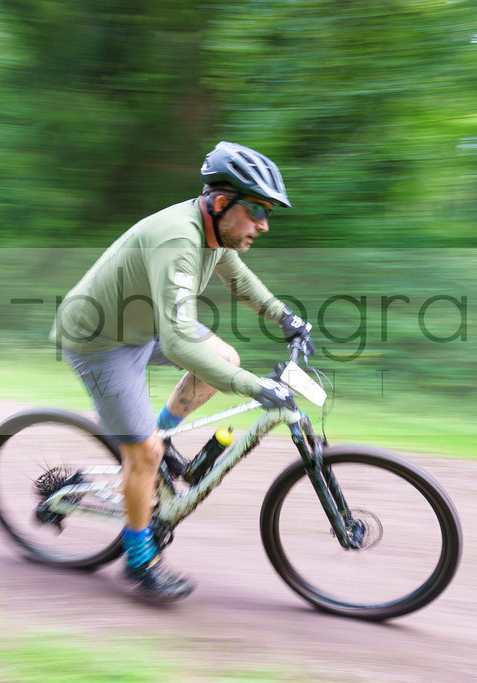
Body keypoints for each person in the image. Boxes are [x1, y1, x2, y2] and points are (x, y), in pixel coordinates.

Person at [49, 141, 313, 601]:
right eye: (255, 210)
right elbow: (176, 342)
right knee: (145, 455)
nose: (264, 225)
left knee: (223, 361)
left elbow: (238, 279)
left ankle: (159, 438)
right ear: (220, 202)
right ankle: (139, 561)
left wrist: (284, 316)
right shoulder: (179, 240)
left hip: (141, 326)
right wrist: (256, 387)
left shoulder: (215, 233)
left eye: (267, 213)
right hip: (99, 342)